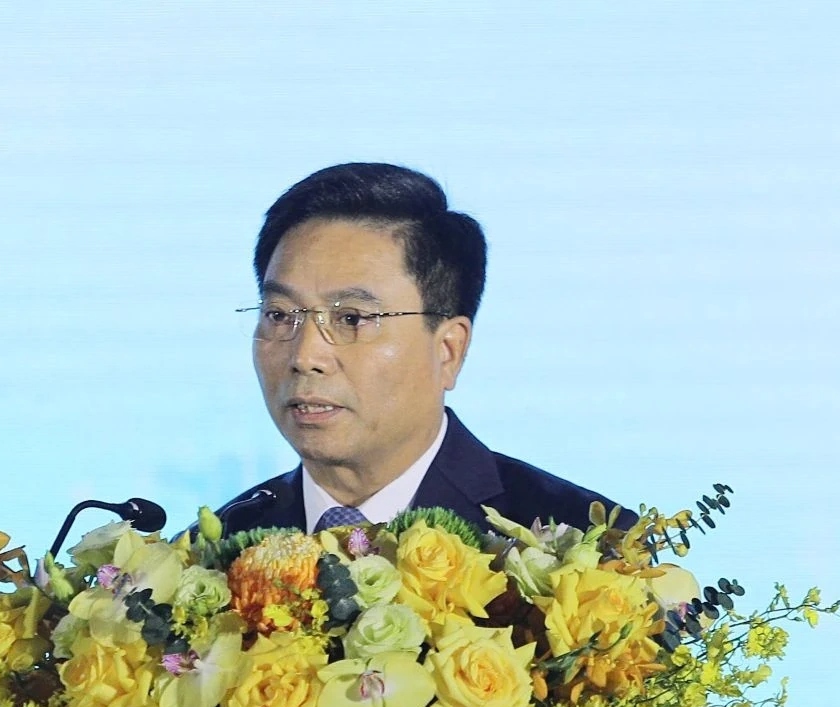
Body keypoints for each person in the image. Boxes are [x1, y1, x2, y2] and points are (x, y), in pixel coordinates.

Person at [217, 162, 631, 536]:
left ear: (449, 350)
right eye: (279, 315)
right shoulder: (208, 554)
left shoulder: (584, 548)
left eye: (352, 319)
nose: (305, 357)